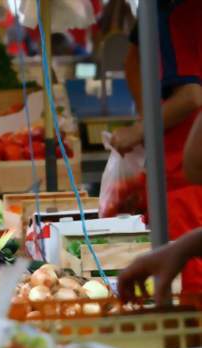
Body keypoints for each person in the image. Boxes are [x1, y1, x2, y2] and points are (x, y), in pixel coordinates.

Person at [112, 0, 202, 295]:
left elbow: (192, 96)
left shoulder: (179, 14)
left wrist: (140, 130)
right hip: (174, 175)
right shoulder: (156, 17)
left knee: (194, 294)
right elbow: (134, 61)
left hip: (184, 182)